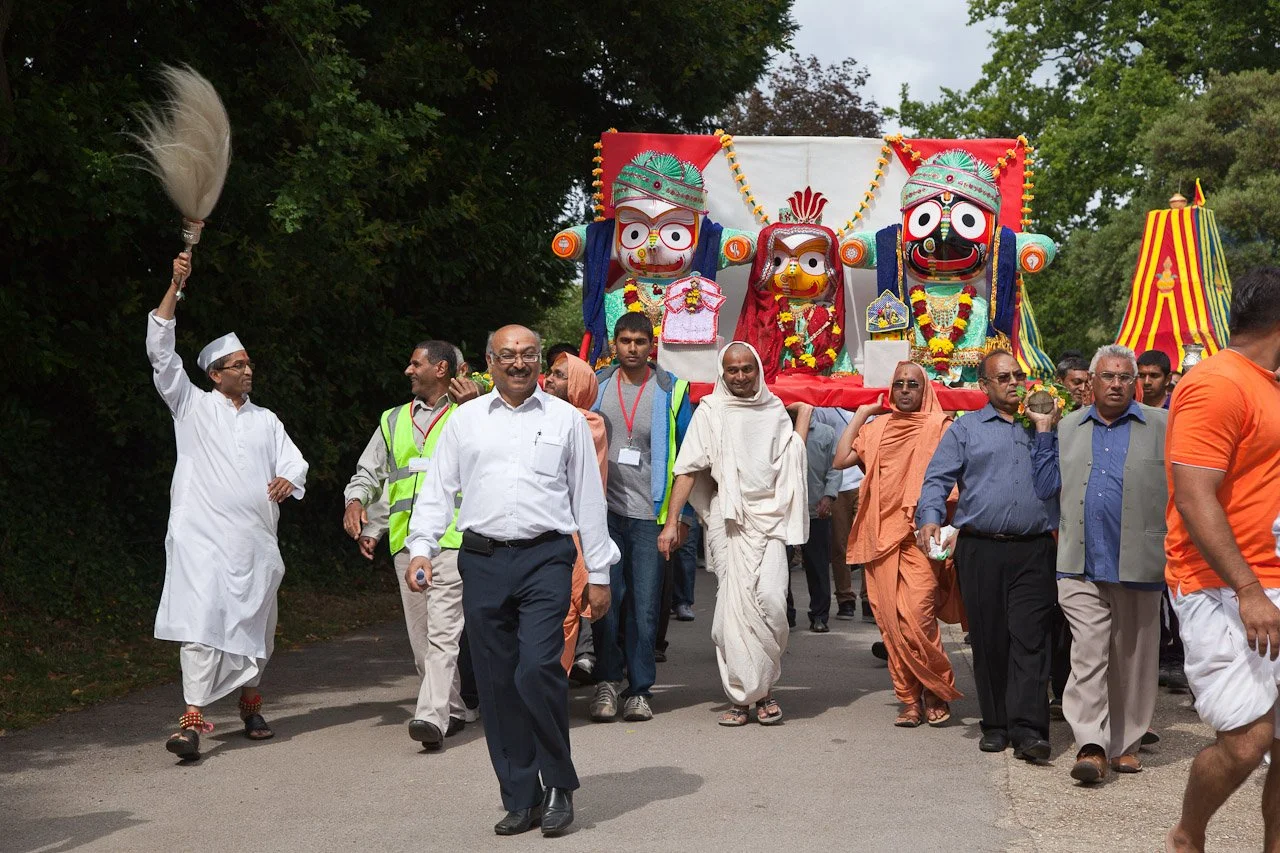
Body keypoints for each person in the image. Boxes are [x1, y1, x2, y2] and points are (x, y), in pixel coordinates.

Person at [405, 325, 617, 837]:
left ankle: (559, 784)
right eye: (507, 355)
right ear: (488, 362)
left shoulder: (566, 420)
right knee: (498, 683)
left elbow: (588, 499)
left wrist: (600, 573)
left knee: (538, 668)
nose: (518, 363)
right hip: (481, 559)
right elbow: (438, 489)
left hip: (546, 557)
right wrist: (421, 548)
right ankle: (521, 796)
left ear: (539, 360)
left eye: (528, 355)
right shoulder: (466, 421)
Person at [147, 252, 308, 759]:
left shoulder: (266, 420)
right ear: (215, 375)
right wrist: (176, 286)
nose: (248, 370)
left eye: (249, 363)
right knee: (200, 624)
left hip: (254, 544)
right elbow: (160, 350)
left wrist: (288, 478)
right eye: (238, 365)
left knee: (254, 623)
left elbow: (296, 463)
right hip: (200, 541)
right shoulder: (190, 406)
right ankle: (192, 720)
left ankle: (250, 701)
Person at [1163, 268, 1280, 853]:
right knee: (1247, 740)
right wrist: (1249, 589)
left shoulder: (1270, 383)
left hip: (1270, 583)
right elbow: (1193, 494)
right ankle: (1188, 835)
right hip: (1221, 587)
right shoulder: (1217, 383)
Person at [1029, 345, 1169, 784]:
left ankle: (1125, 743)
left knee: (1134, 659)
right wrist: (1041, 433)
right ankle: (1091, 743)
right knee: (1088, 654)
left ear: (1137, 383)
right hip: (1079, 563)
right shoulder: (1067, 426)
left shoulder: (1163, 426)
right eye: (1107, 377)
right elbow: (1047, 485)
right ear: (1091, 382)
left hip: (1140, 562)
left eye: (1125, 378)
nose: (1116, 384)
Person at [658, 343, 811, 727]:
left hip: (770, 521)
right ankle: (747, 698)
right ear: (722, 373)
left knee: (772, 603)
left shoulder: (775, 409)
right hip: (728, 523)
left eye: (747, 369)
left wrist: (802, 419)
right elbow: (688, 468)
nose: (740, 376)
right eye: (732, 370)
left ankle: (763, 685)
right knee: (731, 617)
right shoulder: (711, 411)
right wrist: (672, 520)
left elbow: (789, 458)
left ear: (757, 370)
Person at [917, 350, 1057, 761]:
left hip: (1034, 548)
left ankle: (1030, 730)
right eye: (1003, 378)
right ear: (984, 385)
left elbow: (1055, 481)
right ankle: (995, 724)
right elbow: (936, 478)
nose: (1014, 383)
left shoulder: (1046, 424)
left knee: (1031, 640)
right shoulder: (966, 430)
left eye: (1018, 375)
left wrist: (1046, 429)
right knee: (990, 639)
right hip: (980, 548)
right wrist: (930, 516)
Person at [342, 341, 478, 749]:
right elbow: (375, 473)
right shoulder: (393, 419)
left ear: (441, 369)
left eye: (415, 364)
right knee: (422, 640)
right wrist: (359, 507)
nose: (408, 370)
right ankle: (452, 710)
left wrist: (475, 407)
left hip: (453, 539)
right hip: (406, 543)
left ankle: (430, 717)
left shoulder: (471, 412)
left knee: (443, 632)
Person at [835, 362, 962, 727]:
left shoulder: (941, 427)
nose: (905, 390)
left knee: (918, 619)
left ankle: (936, 689)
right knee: (890, 621)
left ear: (925, 391)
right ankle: (909, 698)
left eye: (913, 384)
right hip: (880, 538)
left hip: (921, 538)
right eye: (899, 384)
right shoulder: (877, 429)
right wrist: (861, 414)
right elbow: (841, 459)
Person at [589, 312, 693, 723]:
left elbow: (689, 457)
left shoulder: (671, 389)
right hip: (603, 514)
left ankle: (640, 688)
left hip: (650, 516)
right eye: (625, 340)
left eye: (640, 341)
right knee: (605, 602)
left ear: (653, 345)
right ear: (614, 343)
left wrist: (678, 518)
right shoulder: (595, 387)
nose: (632, 348)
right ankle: (607, 681)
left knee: (646, 606)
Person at [542, 351, 609, 673]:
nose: (548, 380)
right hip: (533, 533)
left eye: (558, 375)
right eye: (549, 373)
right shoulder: (535, 417)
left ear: (579, 385)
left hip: (572, 534)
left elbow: (583, 494)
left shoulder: (590, 425)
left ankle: (554, 684)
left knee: (565, 611)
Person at [786, 412, 840, 632]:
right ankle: (785, 615)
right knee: (779, 566)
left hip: (815, 509)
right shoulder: (778, 429)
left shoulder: (826, 433)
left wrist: (829, 496)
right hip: (784, 512)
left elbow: (835, 468)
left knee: (817, 566)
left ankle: (819, 616)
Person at [812, 407, 868, 621]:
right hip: (840, 485)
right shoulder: (827, 409)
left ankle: (868, 599)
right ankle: (845, 599)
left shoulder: (872, 406)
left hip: (866, 483)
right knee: (839, 545)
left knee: (868, 543)